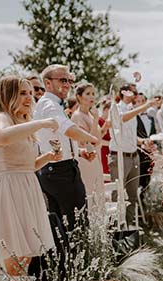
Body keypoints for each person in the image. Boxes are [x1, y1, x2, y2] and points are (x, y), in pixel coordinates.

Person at [0, 75, 60, 281]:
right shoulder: (2, 118)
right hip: (9, 191)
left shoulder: (23, 122)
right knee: (10, 263)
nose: (29, 97)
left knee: (24, 262)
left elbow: (28, 165)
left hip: (27, 188)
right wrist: (41, 123)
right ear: (8, 95)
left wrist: (48, 157)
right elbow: (0, 138)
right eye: (22, 93)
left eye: (30, 93)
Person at [34, 64, 99, 231]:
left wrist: (81, 152)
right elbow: (68, 129)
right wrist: (91, 138)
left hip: (55, 169)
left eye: (69, 80)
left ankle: (67, 257)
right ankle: (81, 256)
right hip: (60, 171)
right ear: (48, 83)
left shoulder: (52, 104)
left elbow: (58, 137)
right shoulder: (49, 104)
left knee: (63, 226)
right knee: (78, 224)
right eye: (63, 80)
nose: (67, 84)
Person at [108, 83, 156, 224]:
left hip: (134, 156)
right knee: (118, 195)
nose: (135, 95)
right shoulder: (115, 107)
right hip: (119, 157)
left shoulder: (132, 110)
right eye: (133, 92)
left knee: (132, 195)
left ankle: (129, 227)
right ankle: (116, 228)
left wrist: (142, 142)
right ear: (123, 92)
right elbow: (122, 119)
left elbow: (130, 136)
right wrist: (146, 105)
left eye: (136, 92)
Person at [71, 82, 104, 196]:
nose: (92, 96)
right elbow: (87, 141)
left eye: (93, 93)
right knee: (89, 192)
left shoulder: (90, 115)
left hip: (96, 158)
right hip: (86, 159)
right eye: (88, 93)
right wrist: (96, 120)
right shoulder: (77, 116)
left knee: (98, 192)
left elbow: (98, 139)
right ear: (79, 97)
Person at [136, 92, 157, 195]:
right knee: (138, 179)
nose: (141, 103)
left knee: (147, 178)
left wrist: (154, 144)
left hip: (149, 154)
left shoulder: (151, 118)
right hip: (138, 153)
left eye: (143, 101)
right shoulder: (133, 118)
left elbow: (154, 134)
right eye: (138, 101)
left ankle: (144, 204)